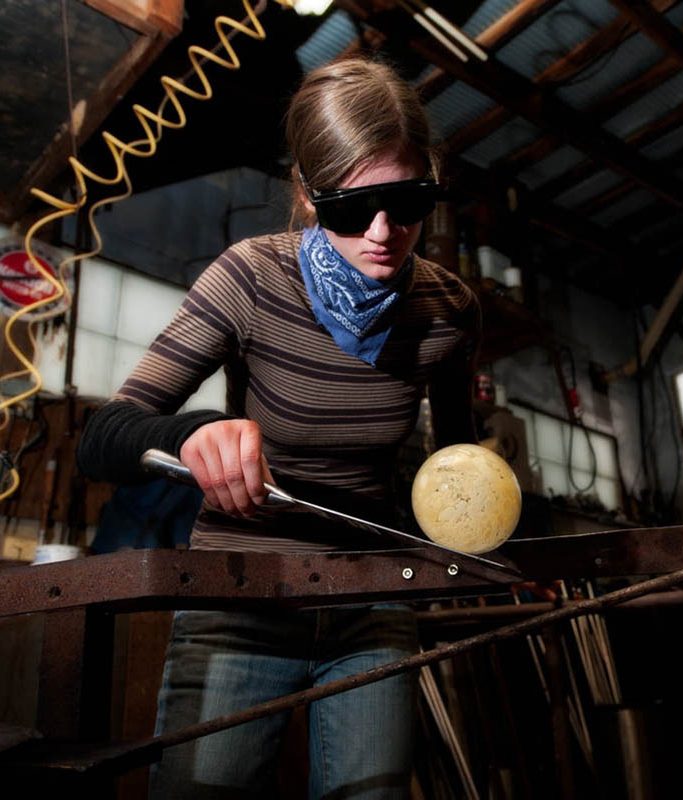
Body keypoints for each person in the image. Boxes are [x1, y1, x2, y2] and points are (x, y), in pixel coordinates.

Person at [77, 56, 481, 799]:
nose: (385, 235)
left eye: (408, 200)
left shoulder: (449, 311)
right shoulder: (251, 278)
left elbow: (460, 466)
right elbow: (103, 437)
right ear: (304, 193)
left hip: (371, 603)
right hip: (242, 598)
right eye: (351, 211)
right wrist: (189, 434)